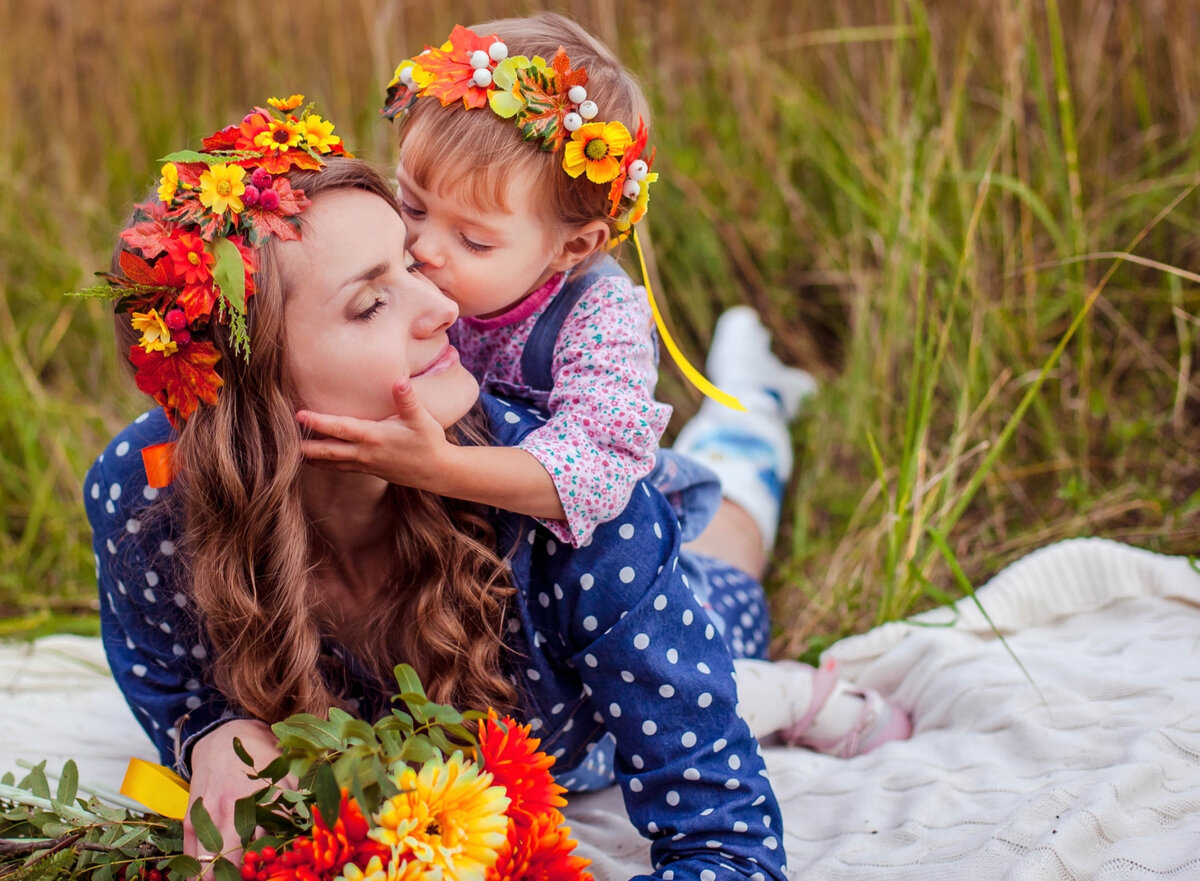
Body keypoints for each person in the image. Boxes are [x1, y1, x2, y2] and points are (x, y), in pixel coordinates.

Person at [84, 100, 908, 881]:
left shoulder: (565, 508)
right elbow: (180, 686)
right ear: (250, 390)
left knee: (725, 563)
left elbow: (726, 843)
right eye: (373, 301)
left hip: (627, 640)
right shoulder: (150, 497)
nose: (443, 304)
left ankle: (753, 400)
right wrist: (218, 733)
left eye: (412, 263)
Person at [297, 14, 727, 550]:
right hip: (467, 551)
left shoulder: (596, 315)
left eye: (473, 241)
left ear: (571, 247)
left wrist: (441, 468)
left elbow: (598, 470)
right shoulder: (410, 263)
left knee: (732, 548)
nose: (423, 249)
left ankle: (752, 422)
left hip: (596, 557)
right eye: (411, 205)